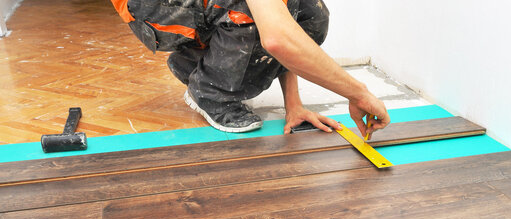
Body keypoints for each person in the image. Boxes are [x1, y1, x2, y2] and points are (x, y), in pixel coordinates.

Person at [110, 0, 390, 137]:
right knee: (242, 7)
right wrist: (359, 93)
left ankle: (195, 63)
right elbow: (278, 38)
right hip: (147, 7)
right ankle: (209, 91)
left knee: (310, 12)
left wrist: (293, 105)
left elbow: (286, 16)